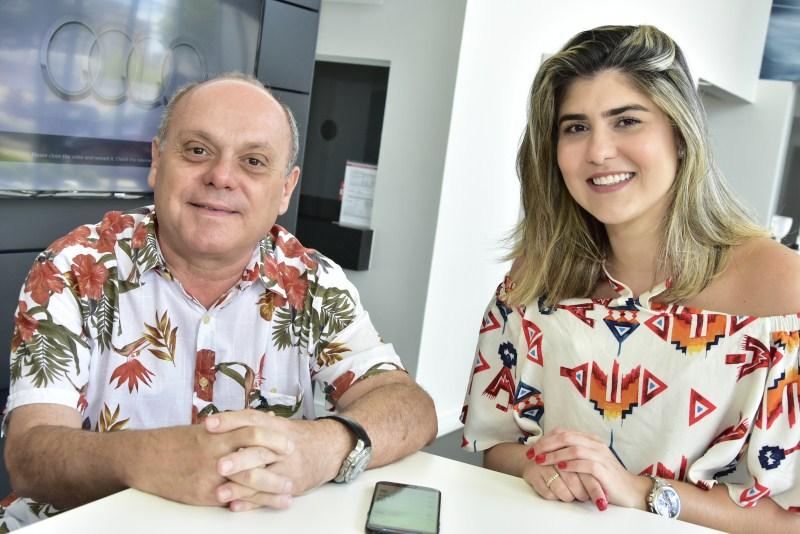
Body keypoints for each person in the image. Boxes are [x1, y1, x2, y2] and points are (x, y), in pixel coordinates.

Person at [1, 73, 437, 530]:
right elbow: (29, 456)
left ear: (285, 190)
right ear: (157, 161)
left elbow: (410, 407)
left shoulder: (314, 282)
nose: (222, 177)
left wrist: (324, 447)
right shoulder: (75, 267)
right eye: (197, 151)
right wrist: (153, 458)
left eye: (253, 161)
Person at [460, 25, 800, 532]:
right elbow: (496, 444)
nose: (599, 151)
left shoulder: (783, 289)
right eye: (575, 127)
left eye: (627, 121)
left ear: (680, 135)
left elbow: (790, 518)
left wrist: (641, 492)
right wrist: (542, 468)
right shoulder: (535, 276)